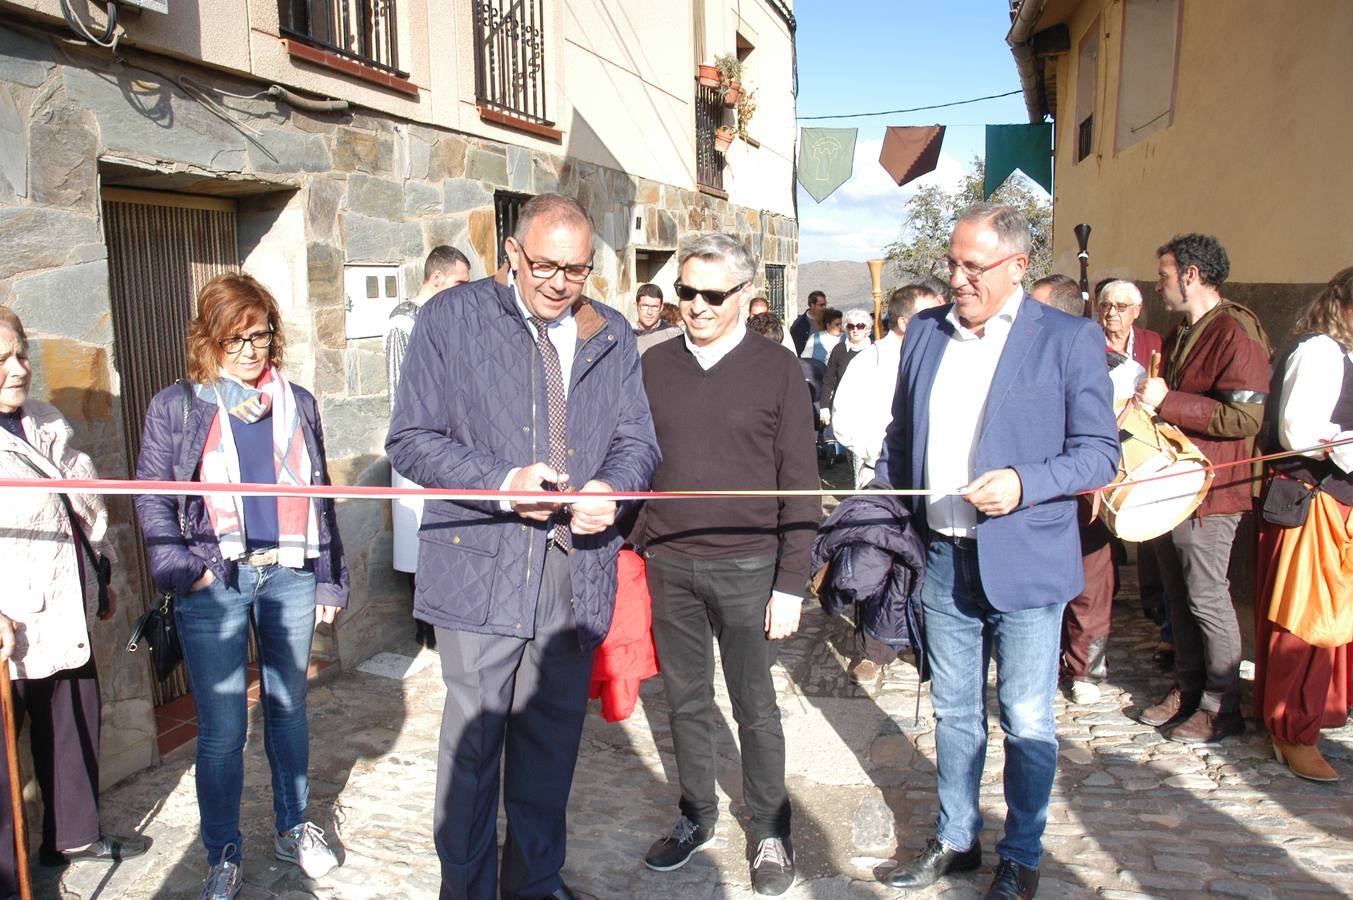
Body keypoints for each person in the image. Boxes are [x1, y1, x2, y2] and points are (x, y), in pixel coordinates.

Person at [386, 193, 660, 900]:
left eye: (576, 269)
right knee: (473, 750)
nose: (559, 283)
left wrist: (613, 487)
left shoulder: (611, 332)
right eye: (544, 265)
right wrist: (502, 482)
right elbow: (411, 440)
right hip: (482, 565)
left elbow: (638, 441)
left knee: (549, 748)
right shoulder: (452, 318)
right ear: (510, 253)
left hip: (575, 573)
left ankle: (535, 883)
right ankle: (467, 889)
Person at [880, 203, 1118, 899]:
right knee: (954, 714)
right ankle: (956, 838)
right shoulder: (923, 333)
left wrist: (1023, 483)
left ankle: (1020, 853)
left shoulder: (1068, 340)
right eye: (950, 263)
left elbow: (1098, 455)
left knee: (1024, 718)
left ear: (1015, 267)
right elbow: (901, 439)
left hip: (1026, 563)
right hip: (945, 558)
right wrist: (885, 518)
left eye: (971, 266)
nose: (955, 278)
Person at [135, 273, 348, 899]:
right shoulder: (178, 406)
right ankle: (223, 853)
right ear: (210, 339)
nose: (253, 349)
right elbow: (153, 498)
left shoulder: (299, 401)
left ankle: (293, 826)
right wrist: (185, 571)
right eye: (237, 338)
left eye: (262, 335)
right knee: (224, 729)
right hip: (215, 581)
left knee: (289, 708)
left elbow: (323, 495)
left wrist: (331, 579)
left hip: (289, 573)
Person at [637, 233, 818, 896]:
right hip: (670, 565)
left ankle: (769, 829)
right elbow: (633, 462)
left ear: (744, 297)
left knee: (753, 706)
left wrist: (792, 583)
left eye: (713, 294)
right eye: (686, 292)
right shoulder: (651, 367)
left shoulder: (776, 370)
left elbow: (800, 479)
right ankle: (695, 815)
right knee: (684, 702)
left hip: (749, 566)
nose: (697, 306)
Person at [0, 309, 150, 898]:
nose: (18, 369)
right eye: (3, 359)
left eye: (20, 354)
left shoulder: (42, 418)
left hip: (64, 603)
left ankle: (71, 837)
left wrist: (103, 572)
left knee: (71, 724)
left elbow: (79, 508)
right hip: (10, 622)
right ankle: (9, 879)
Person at [1135, 233, 1271, 744]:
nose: (1159, 283)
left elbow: (1244, 417)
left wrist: (1169, 402)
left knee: (1207, 598)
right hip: (1174, 490)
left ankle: (1221, 705)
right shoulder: (1182, 332)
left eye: (1165, 274)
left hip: (1215, 492)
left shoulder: (1236, 333)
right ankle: (1189, 690)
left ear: (1191, 274)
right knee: (1177, 594)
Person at [1253, 267, 1353, 782]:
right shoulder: (1320, 352)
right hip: (1313, 503)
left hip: (1334, 503)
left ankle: (1303, 720)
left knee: (1328, 623)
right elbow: (1302, 431)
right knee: (1304, 624)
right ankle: (1291, 730)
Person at [831, 285, 945, 682]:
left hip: (932, 483)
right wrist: (883, 452)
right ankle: (871, 649)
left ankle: (919, 641)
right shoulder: (869, 362)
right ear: (904, 322)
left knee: (925, 564)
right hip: (880, 481)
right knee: (876, 564)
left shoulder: (945, 355)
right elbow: (842, 422)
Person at [388, 245, 472, 650]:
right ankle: (425, 623)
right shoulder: (404, 322)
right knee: (416, 539)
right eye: (458, 283)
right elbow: (398, 392)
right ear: (437, 279)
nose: (463, 293)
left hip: (448, 445)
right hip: (417, 445)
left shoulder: (448, 320)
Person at [818, 308, 873, 431]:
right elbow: (829, 380)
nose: (855, 330)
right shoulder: (839, 350)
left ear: (867, 328)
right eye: (850, 326)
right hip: (842, 407)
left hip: (869, 408)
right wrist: (824, 408)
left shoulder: (874, 349)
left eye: (860, 326)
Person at [634, 283, 679, 355]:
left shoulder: (674, 335)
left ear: (661, 308)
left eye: (655, 307)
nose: (649, 312)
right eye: (645, 306)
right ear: (636, 306)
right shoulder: (626, 335)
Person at [789, 290, 827, 355]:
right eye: (821, 305)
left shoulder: (829, 320)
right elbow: (795, 349)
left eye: (825, 304)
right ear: (812, 305)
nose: (824, 308)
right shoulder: (799, 324)